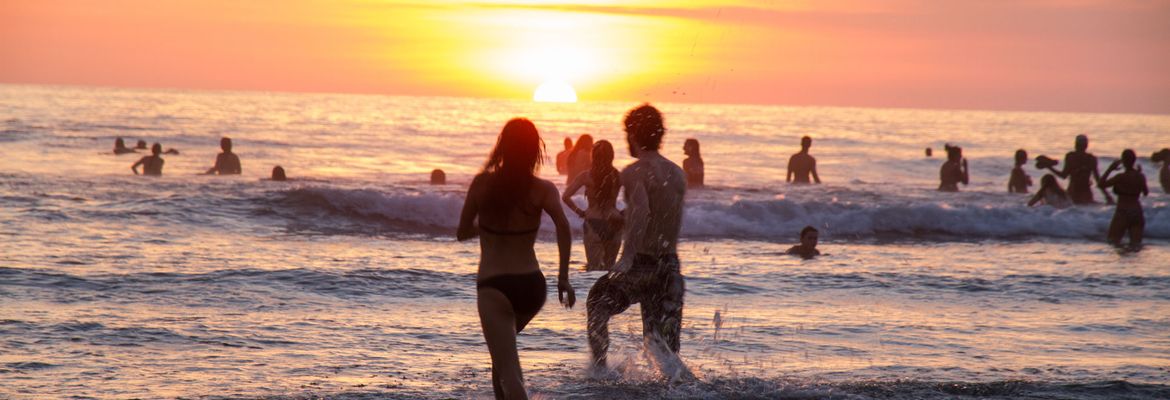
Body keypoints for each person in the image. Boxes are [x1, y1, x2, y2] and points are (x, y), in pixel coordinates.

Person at [456, 118, 574, 400]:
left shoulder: (482, 184)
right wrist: (563, 278)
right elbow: (564, 226)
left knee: (508, 373)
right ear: (534, 151)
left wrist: (487, 228)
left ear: (502, 147)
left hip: (494, 287)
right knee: (502, 360)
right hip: (532, 287)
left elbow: (462, 232)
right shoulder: (543, 189)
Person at [587, 104, 687, 373]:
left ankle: (599, 373)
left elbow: (642, 211)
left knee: (596, 301)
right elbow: (662, 217)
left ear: (632, 134)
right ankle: (679, 385)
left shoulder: (634, 172)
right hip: (670, 268)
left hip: (642, 264)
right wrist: (625, 218)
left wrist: (627, 256)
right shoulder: (677, 173)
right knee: (662, 348)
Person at [562, 140, 623, 271]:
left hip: (593, 222)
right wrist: (623, 213)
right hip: (615, 223)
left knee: (593, 269)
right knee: (610, 269)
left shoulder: (586, 176)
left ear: (593, 156)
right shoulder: (618, 176)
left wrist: (579, 211)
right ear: (612, 156)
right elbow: (636, 198)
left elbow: (565, 196)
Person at [1043, 135, 1112, 205]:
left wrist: (1049, 167)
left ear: (1075, 144)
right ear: (1086, 146)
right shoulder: (1091, 159)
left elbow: (1063, 176)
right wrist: (1107, 196)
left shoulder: (1071, 157)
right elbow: (1098, 180)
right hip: (1086, 194)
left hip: (1073, 193)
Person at [1100, 150, 1149, 248]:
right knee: (1136, 245)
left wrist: (1110, 169)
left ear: (1123, 161)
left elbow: (1101, 184)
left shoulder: (1120, 177)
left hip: (1123, 212)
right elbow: (1145, 193)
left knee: (1112, 241)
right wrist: (1138, 175)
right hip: (1137, 212)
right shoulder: (1140, 176)